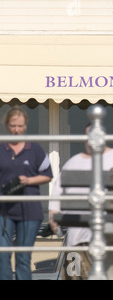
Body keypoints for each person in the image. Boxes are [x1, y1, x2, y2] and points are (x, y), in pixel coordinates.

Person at [49, 123, 113, 280]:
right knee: (73, 276)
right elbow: (57, 191)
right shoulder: (74, 162)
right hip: (76, 238)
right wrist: (53, 213)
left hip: (110, 236)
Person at [0, 105, 53, 280]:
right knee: (2, 256)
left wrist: (28, 180)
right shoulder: (1, 148)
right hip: (4, 210)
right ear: (7, 125)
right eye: (13, 126)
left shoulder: (35, 149)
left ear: (26, 126)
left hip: (30, 210)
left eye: (20, 126)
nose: (17, 130)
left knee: (23, 258)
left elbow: (48, 175)